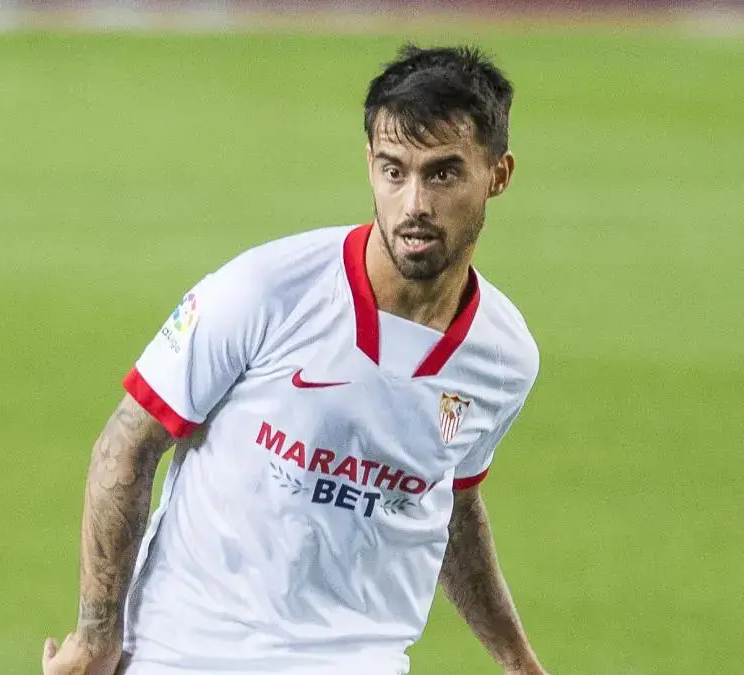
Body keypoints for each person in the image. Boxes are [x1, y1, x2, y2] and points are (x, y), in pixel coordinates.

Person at [43, 44, 548, 675]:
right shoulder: (267, 290)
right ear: (370, 164)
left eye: (442, 174)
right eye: (394, 171)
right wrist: (95, 636)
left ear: (497, 174)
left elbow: (450, 503)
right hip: (190, 655)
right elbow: (127, 443)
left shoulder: (504, 356)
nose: (414, 203)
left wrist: (519, 662)